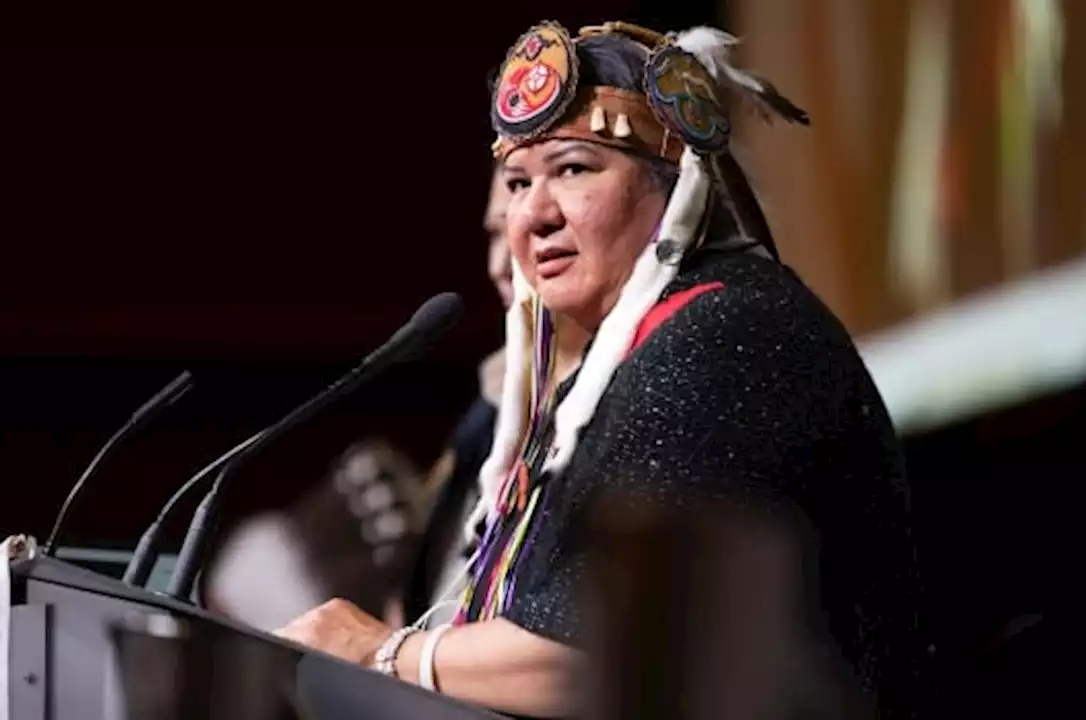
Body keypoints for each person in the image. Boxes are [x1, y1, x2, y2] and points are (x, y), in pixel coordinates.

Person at [275, 20, 924, 719]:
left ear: (675, 186)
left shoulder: (727, 336)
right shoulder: (601, 373)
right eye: (519, 183)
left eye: (574, 170)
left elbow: (597, 658)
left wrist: (383, 653)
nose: (535, 216)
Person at [401, 168, 589, 627]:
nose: (499, 265)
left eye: (539, 228)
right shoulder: (490, 402)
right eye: (496, 234)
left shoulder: (640, 393)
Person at [206, 439, 424, 630]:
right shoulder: (231, 581)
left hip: (304, 563)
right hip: (320, 598)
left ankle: (374, 496)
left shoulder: (228, 575)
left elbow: (276, 531)